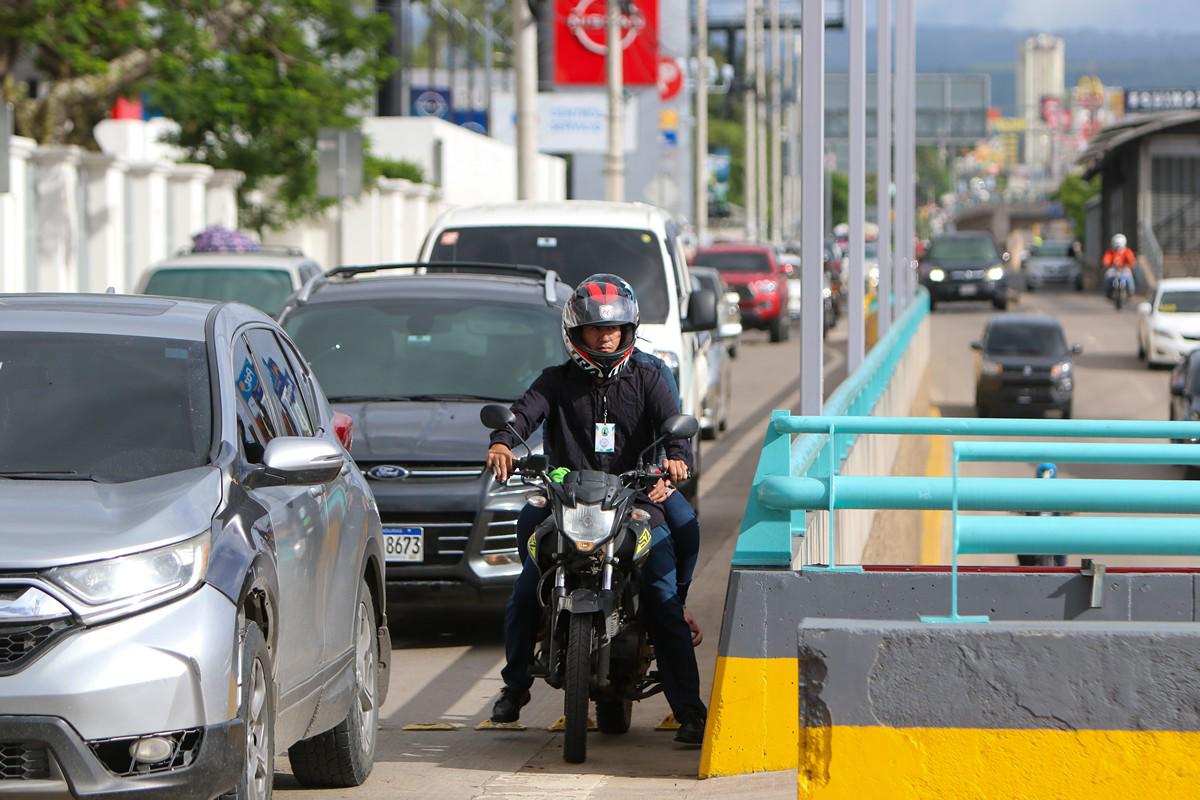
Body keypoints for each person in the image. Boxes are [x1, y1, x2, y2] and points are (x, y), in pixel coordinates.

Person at [486, 274, 708, 745]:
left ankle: (689, 710)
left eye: (614, 329)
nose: (606, 336)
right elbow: (522, 414)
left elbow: (677, 433)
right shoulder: (555, 381)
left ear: (629, 330)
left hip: (637, 499)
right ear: (576, 333)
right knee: (528, 585)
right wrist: (504, 440)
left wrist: (674, 465)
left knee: (662, 591)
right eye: (594, 329)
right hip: (567, 499)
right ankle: (514, 686)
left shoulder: (651, 374)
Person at [1017, 463, 1067, 567]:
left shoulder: (1059, 494)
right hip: (1032, 535)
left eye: (1049, 472)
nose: (1046, 476)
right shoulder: (1031, 493)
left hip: (1053, 536)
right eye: (1044, 472)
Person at [1103, 233, 1136, 299]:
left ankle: (1131, 291)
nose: (1118, 249)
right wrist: (1106, 263)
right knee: (1107, 275)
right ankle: (1107, 291)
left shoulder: (1127, 251)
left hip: (1124, 269)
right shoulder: (1110, 252)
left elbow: (1131, 260)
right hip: (1114, 269)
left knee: (1129, 276)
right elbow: (1106, 259)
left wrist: (1130, 265)